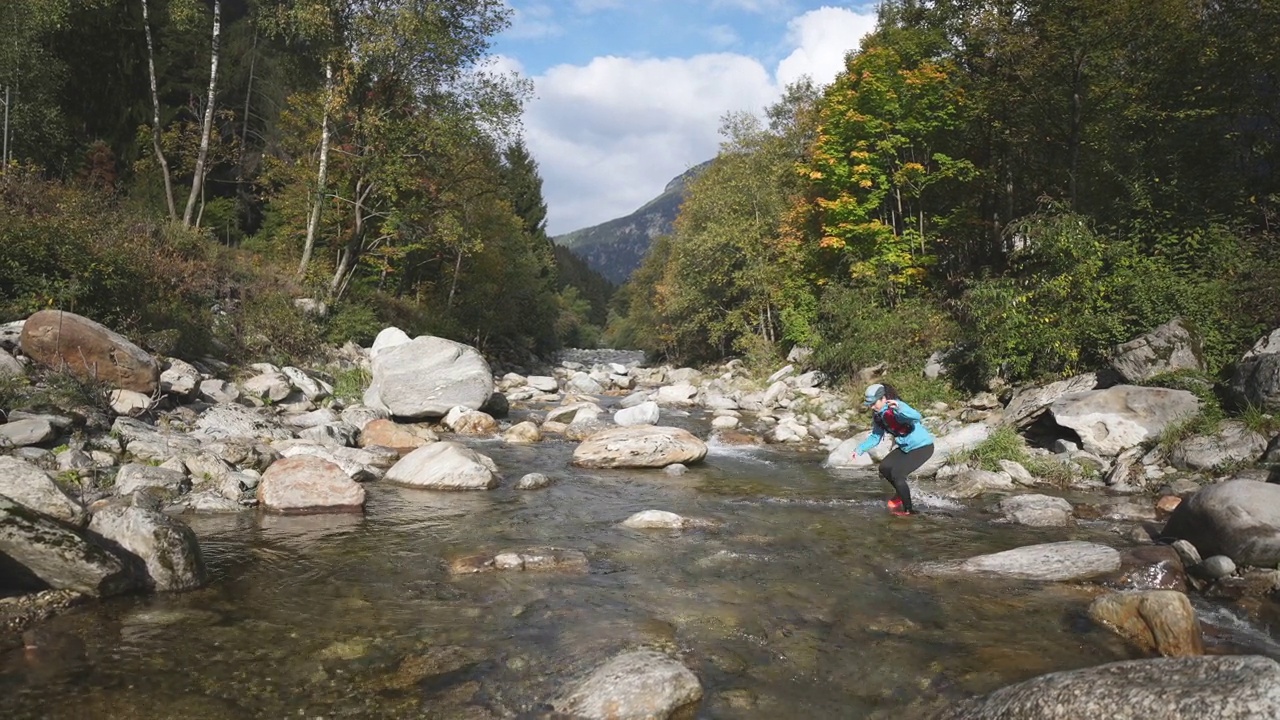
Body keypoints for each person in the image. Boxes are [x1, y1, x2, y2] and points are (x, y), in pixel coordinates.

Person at [852, 383, 935, 516]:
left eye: (874, 403)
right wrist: (859, 449)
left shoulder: (896, 409)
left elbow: (916, 416)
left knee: (897, 474)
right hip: (905, 447)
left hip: (922, 447)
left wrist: (901, 407)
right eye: (870, 405)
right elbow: (875, 437)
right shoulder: (879, 416)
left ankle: (909, 511)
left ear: (883, 398)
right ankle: (900, 495)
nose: (872, 407)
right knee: (884, 467)